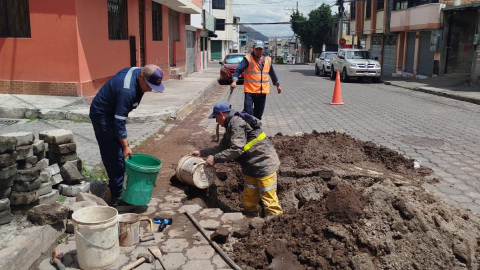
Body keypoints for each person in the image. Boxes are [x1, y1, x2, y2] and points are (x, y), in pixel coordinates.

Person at [191, 101, 283, 217]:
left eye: (215, 117)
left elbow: (237, 150)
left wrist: (215, 159)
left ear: (221, 114)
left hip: (264, 164)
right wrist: (201, 152)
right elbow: (221, 147)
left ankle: (274, 226)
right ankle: (251, 221)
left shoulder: (237, 124)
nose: (216, 121)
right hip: (252, 166)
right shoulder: (231, 124)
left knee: (270, 202)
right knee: (249, 199)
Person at [89, 65, 165, 204]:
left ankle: (120, 188)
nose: (149, 89)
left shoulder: (138, 73)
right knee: (115, 157)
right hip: (102, 115)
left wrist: (124, 142)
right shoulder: (127, 91)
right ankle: (118, 198)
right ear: (141, 77)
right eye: (148, 85)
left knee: (120, 152)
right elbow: (119, 121)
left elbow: (120, 118)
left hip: (114, 113)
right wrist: (125, 146)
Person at [230, 40, 282, 120]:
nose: (258, 51)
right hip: (250, 91)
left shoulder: (268, 60)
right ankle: (247, 128)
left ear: (263, 50)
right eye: (257, 49)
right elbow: (238, 70)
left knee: (258, 116)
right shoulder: (248, 59)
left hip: (262, 92)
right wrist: (234, 81)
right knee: (248, 113)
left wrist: (277, 85)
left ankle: (254, 129)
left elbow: (272, 73)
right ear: (253, 49)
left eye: (260, 49)